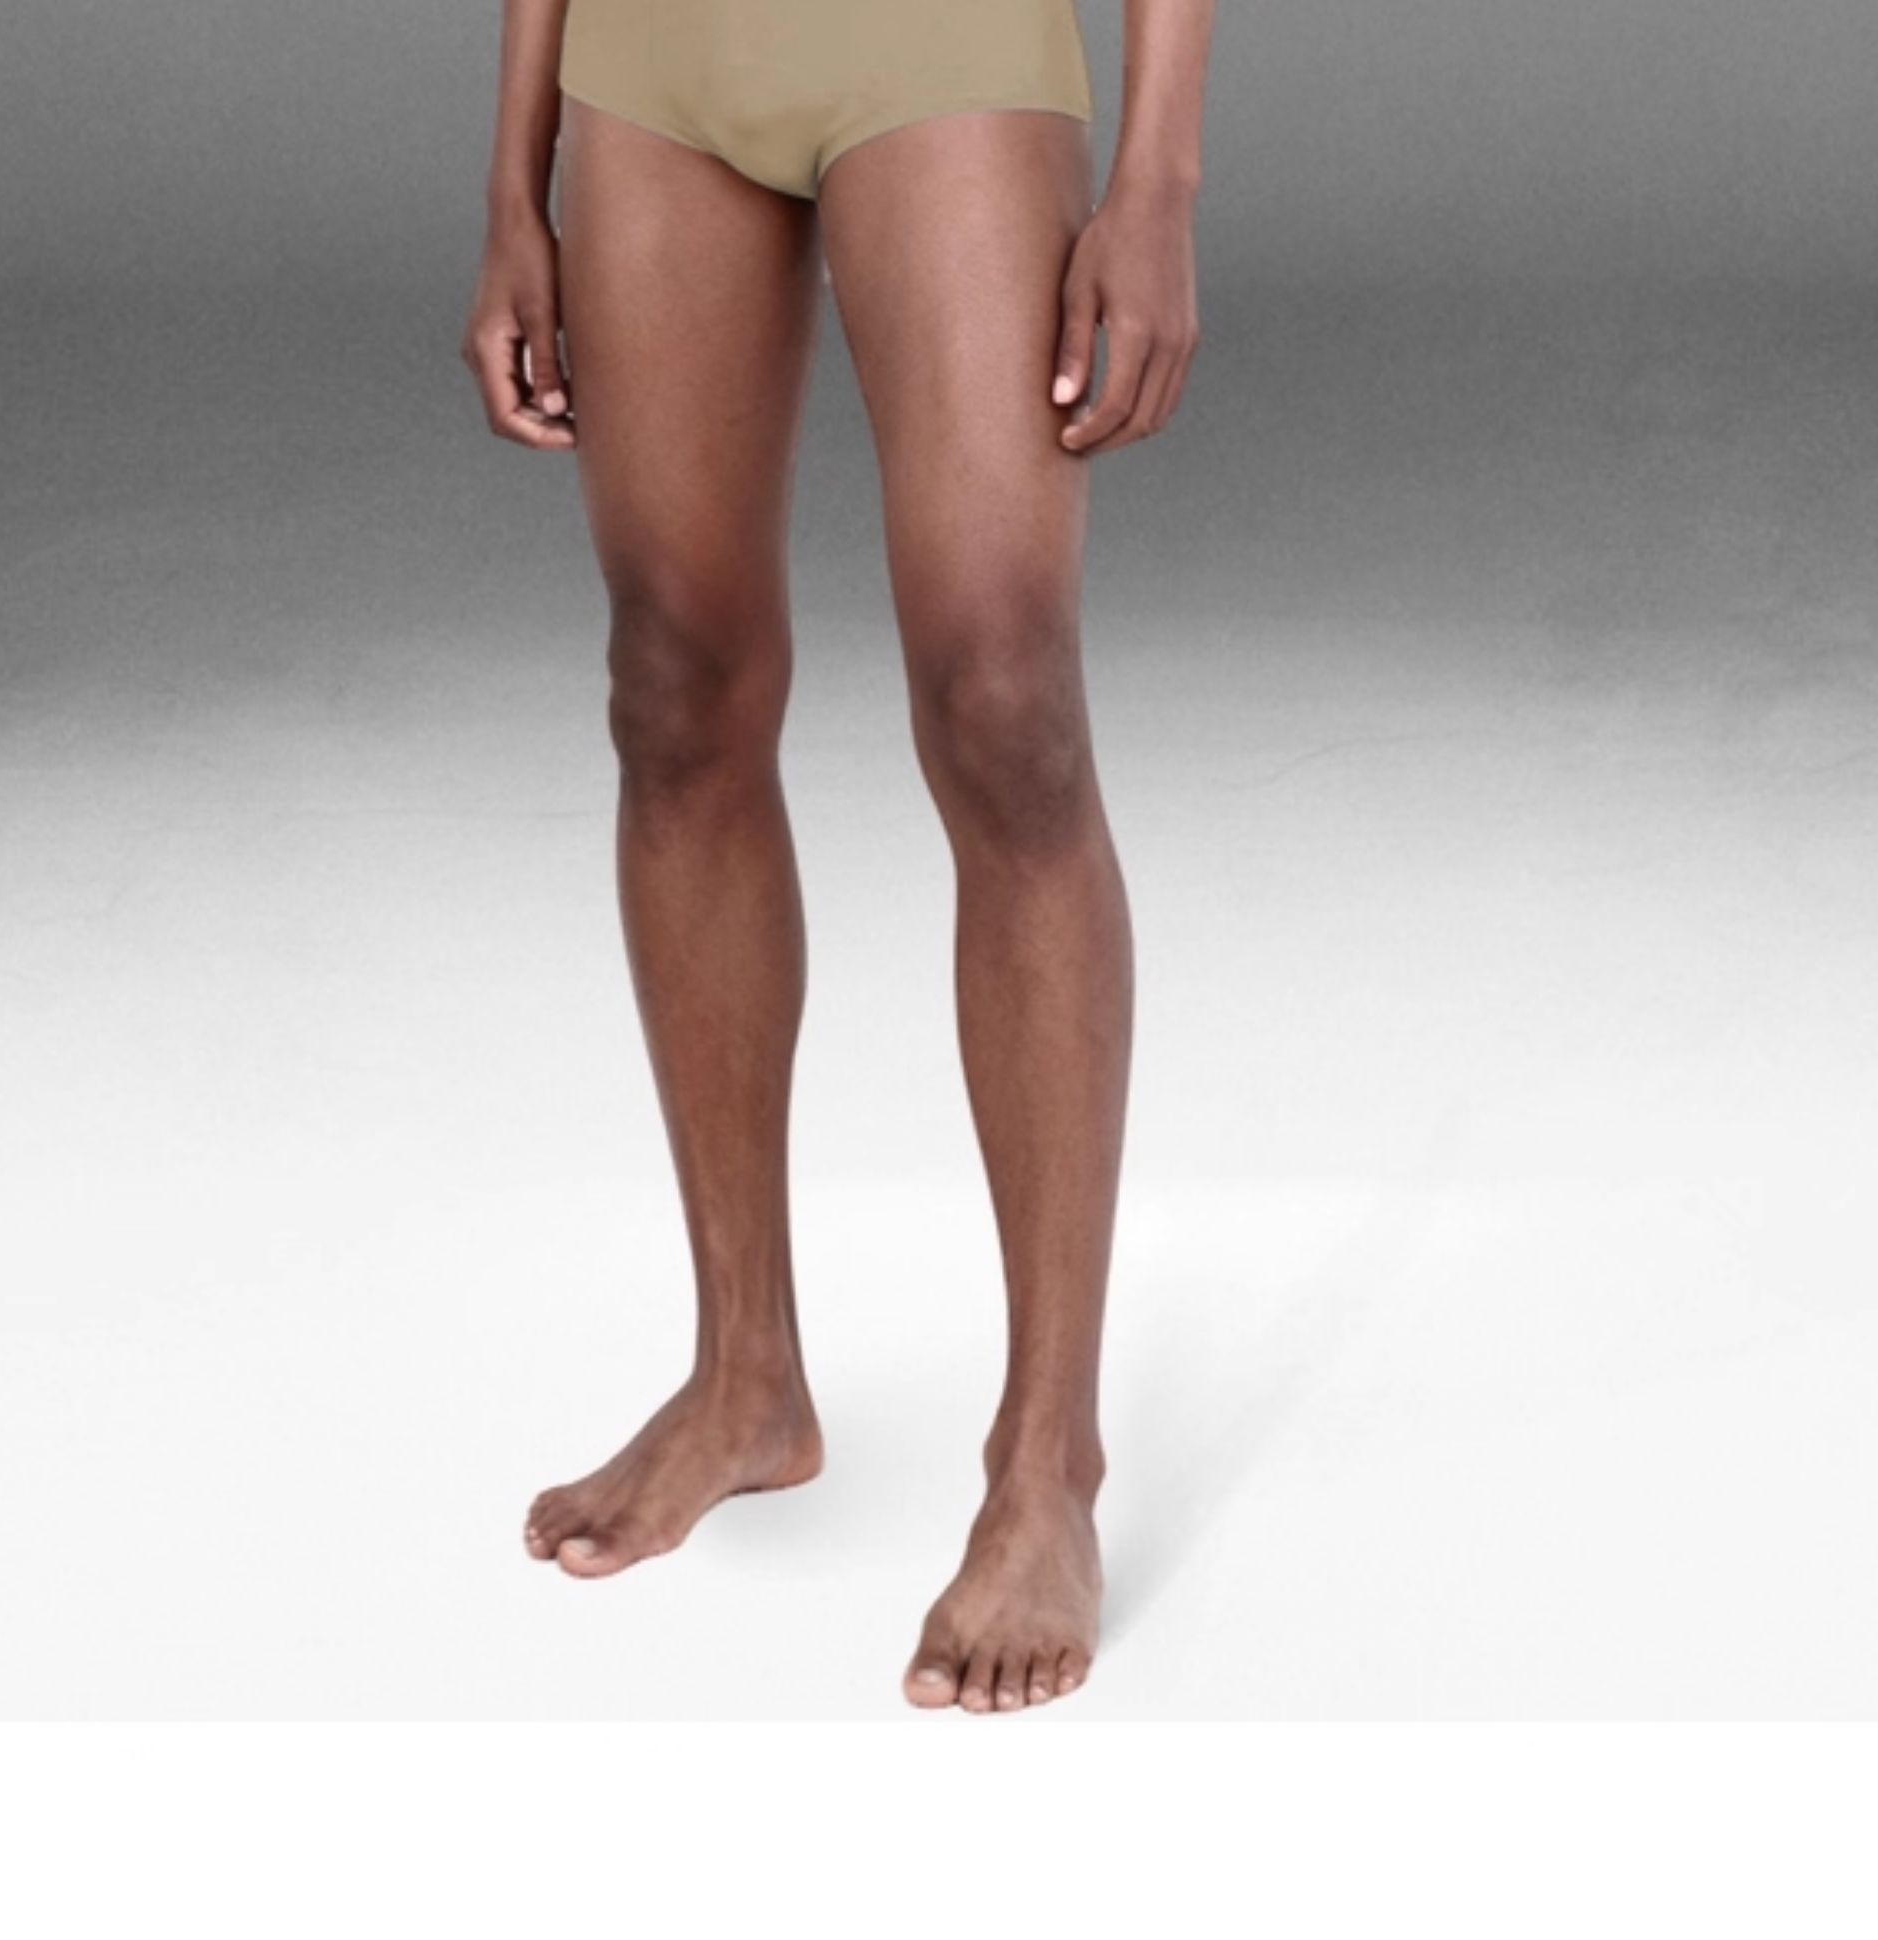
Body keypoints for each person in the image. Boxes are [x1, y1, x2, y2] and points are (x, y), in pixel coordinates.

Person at [461, 0, 1214, 1714]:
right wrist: (512, 182)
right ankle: (745, 1374)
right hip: (653, 62)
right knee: (674, 684)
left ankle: (1047, 1456)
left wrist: (1159, 177)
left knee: (1006, 705)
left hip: (939, 44)